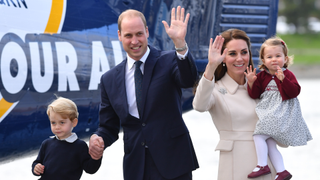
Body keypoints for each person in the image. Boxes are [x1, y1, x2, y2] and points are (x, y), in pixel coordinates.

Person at [88, 6, 199, 180]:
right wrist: (98, 138)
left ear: (147, 32)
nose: (135, 41)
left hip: (174, 163)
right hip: (137, 167)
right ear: (119, 36)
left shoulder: (169, 60)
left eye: (139, 34)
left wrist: (180, 44)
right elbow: (108, 127)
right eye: (128, 35)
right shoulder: (109, 80)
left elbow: (188, 80)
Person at [192, 29, 277, 180]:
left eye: (244, 52)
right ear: (223, 58)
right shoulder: (215, 89)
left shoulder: (262, 86)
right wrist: (211, 66)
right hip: (237, 168)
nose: (240, 58)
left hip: (269, 168)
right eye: (232, 54)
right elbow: (199, 106)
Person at [245, 37, 312, 180]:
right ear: (263, 60)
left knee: (258, 135)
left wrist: (283, 80)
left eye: (278, 56)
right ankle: (282, 171)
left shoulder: (287, 74)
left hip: (281, 113)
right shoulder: (262, 76)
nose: (274, 59)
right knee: (269, 143)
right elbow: (255, 95)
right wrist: (251, 83)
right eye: (269, 57)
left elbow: (294, 92)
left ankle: (262, 165)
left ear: (285, 58)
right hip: (268, 113)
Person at [31, 96, 101, 180]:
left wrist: (96, 157)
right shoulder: (46, 143)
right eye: (53, 123)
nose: (57, 127)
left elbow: (90, 169)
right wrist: (36, 168)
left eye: (62, 122)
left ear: (74, 122)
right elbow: (37, 162)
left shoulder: (80, 146)